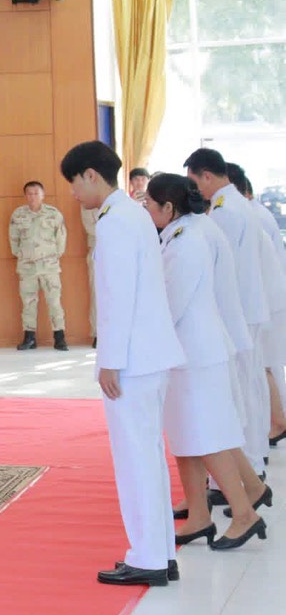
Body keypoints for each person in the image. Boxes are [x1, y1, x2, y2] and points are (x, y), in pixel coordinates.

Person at [61, 141, 185, 587]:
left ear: (91, 175)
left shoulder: (114, 222)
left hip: (133, 359)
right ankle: (161, 553)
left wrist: (109, 362)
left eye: (74, 182)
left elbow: (117, 298)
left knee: (136, 460)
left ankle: (148, 558)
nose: (73, 192)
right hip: (150, 355)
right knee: (148, 457)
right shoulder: (132, 214)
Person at [142, 175, 267, 550]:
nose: (146, 209)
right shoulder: (186, 231)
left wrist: (144, 343)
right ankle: (199, 514)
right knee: (187, 438)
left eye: (149, 204)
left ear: (168, 207)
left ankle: (244, 514)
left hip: (195, 353)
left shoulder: (187, 241)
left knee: (208, 437)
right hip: (190, 352)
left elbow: (171, 303)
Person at [185, 148, 276, 472]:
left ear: (207, 176)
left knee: (239, 392)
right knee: (250, 385)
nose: (195, 190)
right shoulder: (239, 204)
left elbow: (221, 269)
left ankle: (248, 466)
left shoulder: (224, 212)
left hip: (236, 311)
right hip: (249, 307)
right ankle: (255, 456)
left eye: (194, 182)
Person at [228, 162, 286, 445]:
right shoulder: (251, 213)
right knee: (266, 367)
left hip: (266, 302)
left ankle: (277, 422)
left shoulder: (248, 215)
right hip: (267, 300)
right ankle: (274, 422)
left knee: (264, 367)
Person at [9, 181, 69, 350]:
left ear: (43, 195)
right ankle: (29, 338)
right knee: (28, 303)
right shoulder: (18, 215)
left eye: (36, 193)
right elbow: (13, 239)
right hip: (27, 267)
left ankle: (59, 337)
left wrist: (52, 256)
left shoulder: (53, 214)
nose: (33, 196)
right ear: (25, 196)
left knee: (54, 302)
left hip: (49, 266)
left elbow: (61, 239)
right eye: (29, 193)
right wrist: (23, 255)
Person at [83, 204, 101, 348]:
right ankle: (97, 333)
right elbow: (91, 228)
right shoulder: (89, 202)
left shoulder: (122, 202)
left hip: (120, 251)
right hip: (98, 250)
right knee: (97, 294)